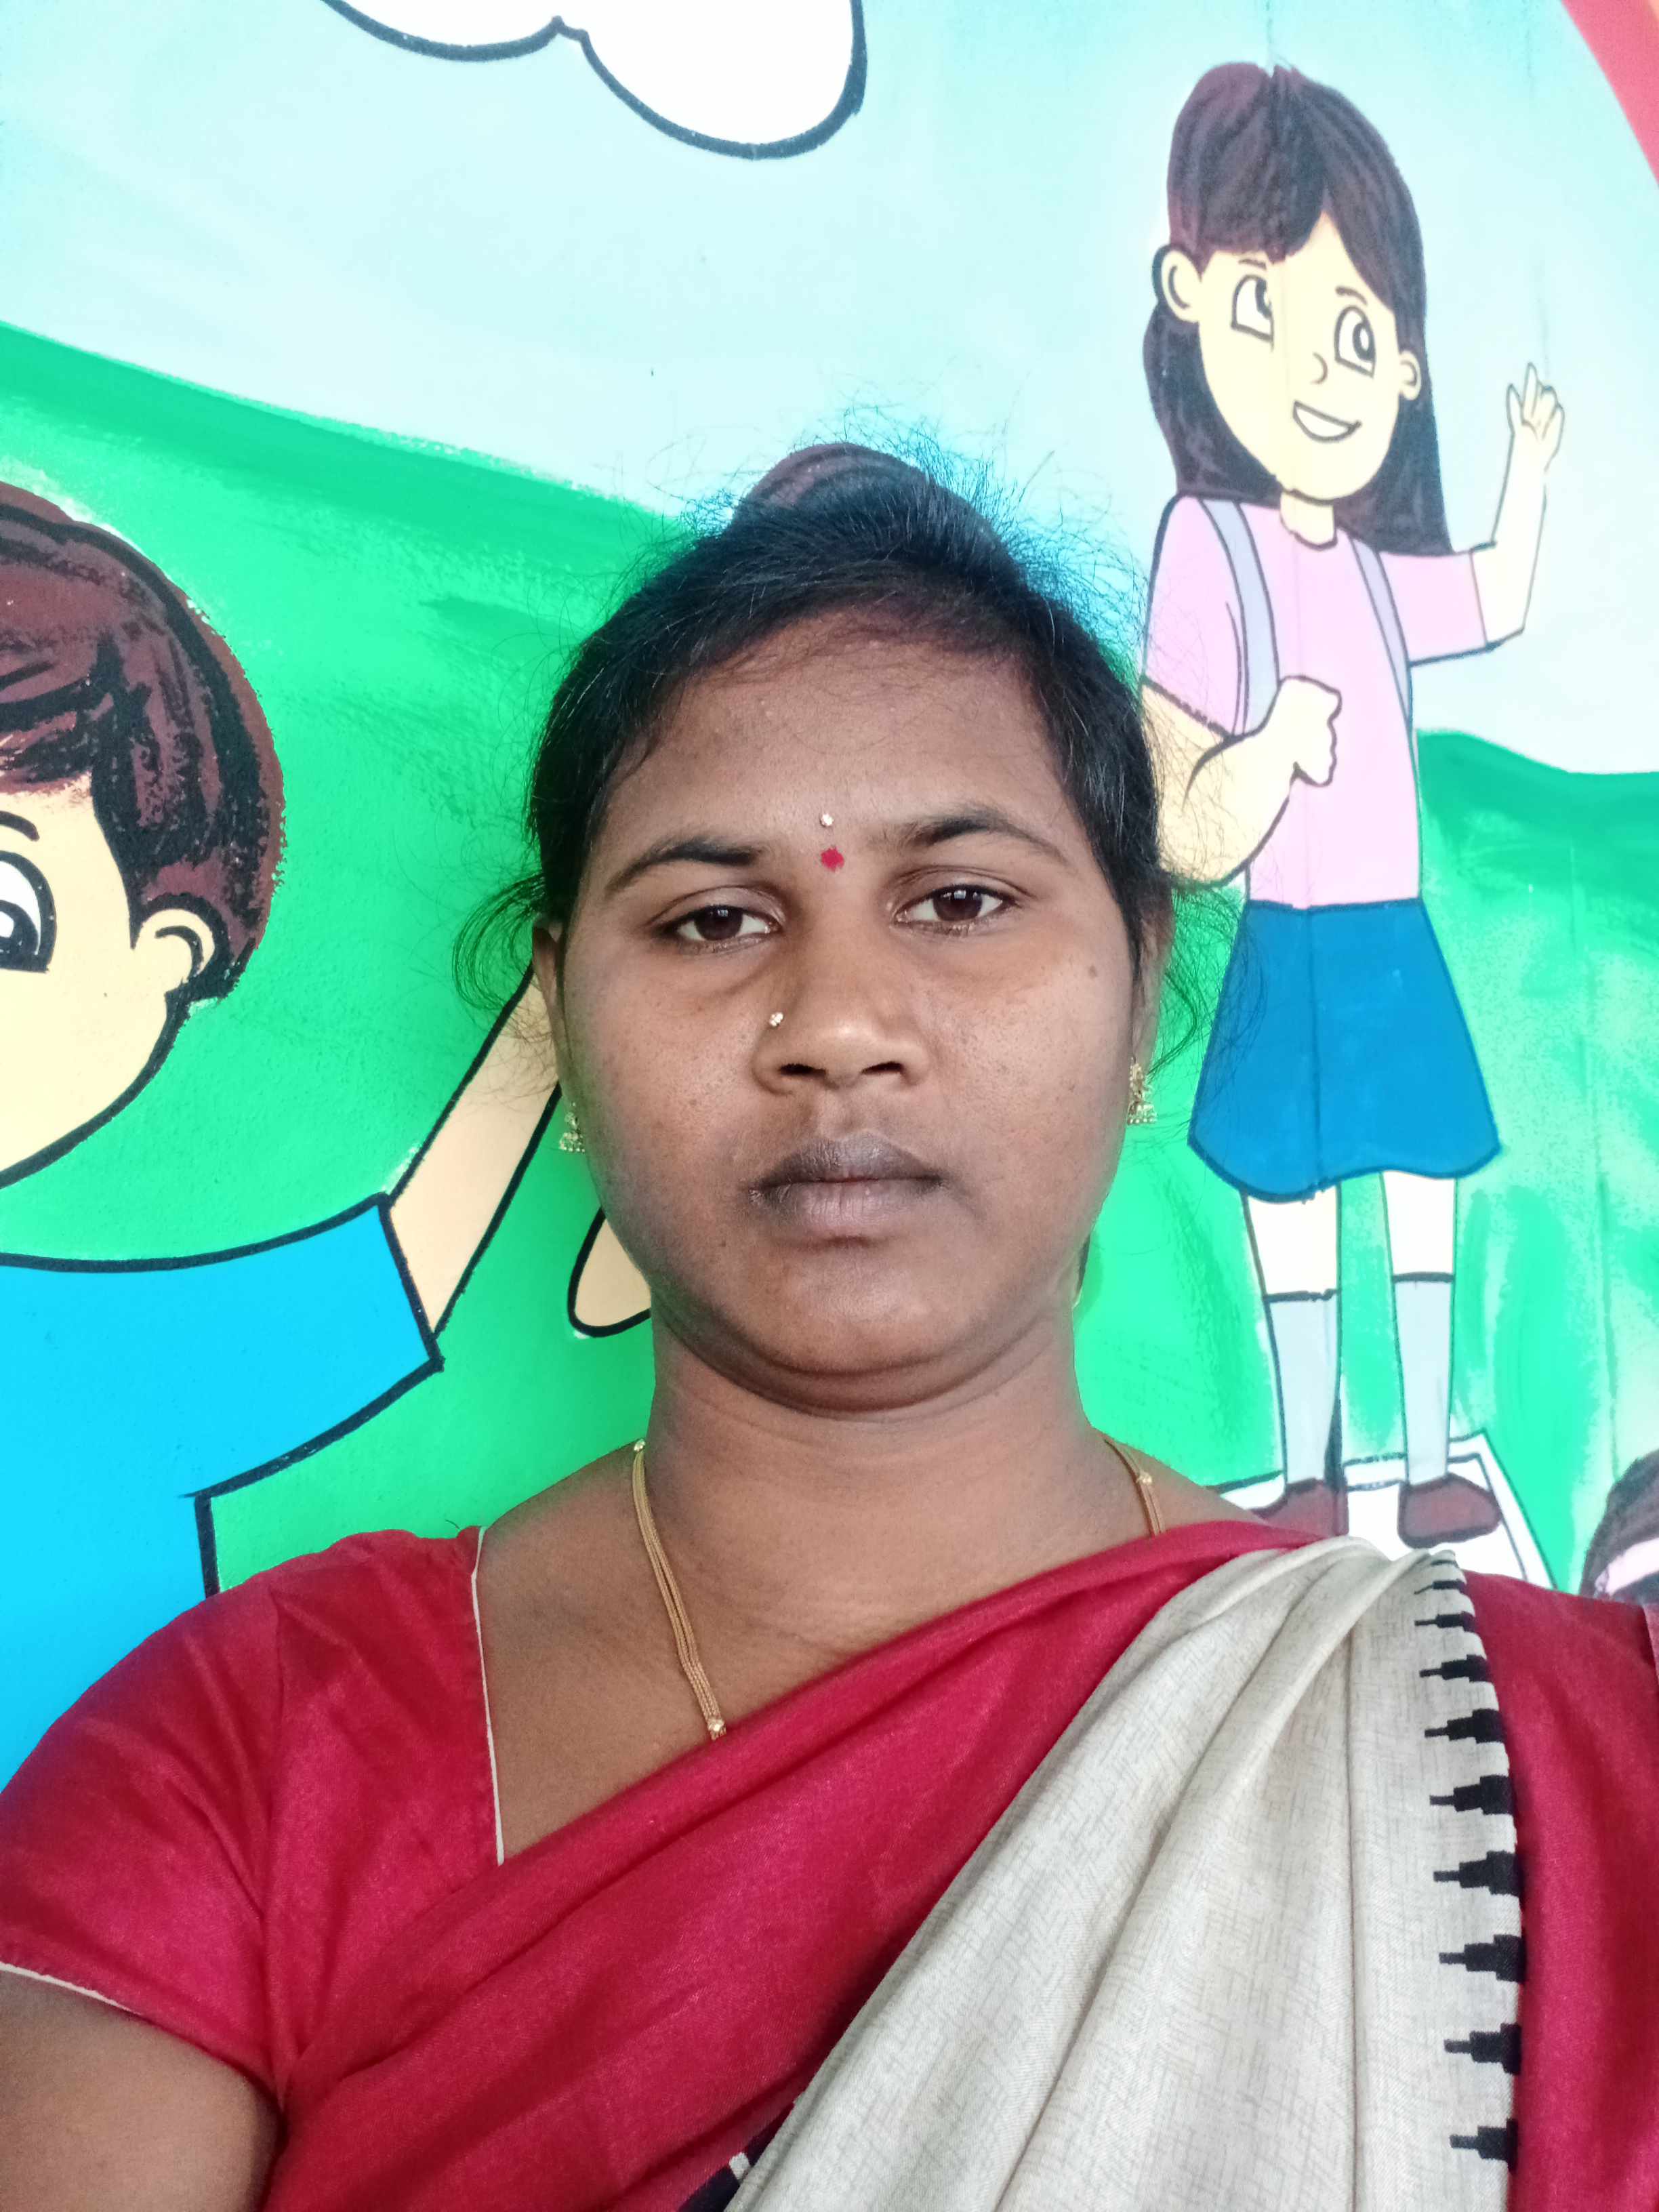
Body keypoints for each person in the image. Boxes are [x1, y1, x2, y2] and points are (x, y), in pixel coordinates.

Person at [0, 446, 1654, 2212]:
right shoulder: (252, 1754)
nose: (840, 1021)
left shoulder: (1554, 1755)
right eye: (712, 920)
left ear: (1138, 985)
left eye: (961, 901)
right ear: (561, 1019)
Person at [0, 484, 631, 1782]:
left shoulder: (108, 1368)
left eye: (10, 922)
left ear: (167, 958)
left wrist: (544, 1011)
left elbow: (400, 1266)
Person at [1139, 64, 1565, 1548]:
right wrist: (1272, 748)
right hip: (1287, 938)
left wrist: (1530, 469)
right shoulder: (1208, 547)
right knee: (1293, 1206)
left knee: (1423, 1187)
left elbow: (1496, 600)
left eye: (1360, 333)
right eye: (1268, 307)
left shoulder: (1380, 573)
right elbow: (1180, 811)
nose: (1321, 368)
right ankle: (1314, 1468)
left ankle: (1431, 1454)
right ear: (1189, 295)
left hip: (1389, 936)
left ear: (1406, 371)